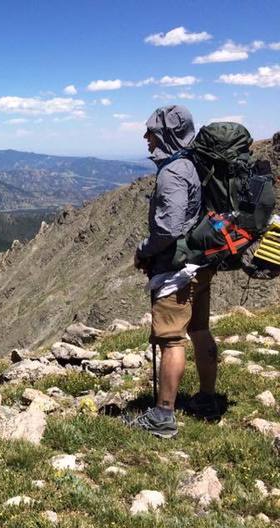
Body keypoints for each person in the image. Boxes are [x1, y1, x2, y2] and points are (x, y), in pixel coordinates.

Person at [126, 105, 219, 438]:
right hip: (201, 262)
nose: (146, 137)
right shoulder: (192, 164)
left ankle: (163, 415)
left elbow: (167, 228)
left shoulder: (173, 172)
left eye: (150, 131)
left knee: (170, 340)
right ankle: (207, 399)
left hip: (177, 270)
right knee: (200, 330)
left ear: (164, 134)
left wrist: (143, 251)